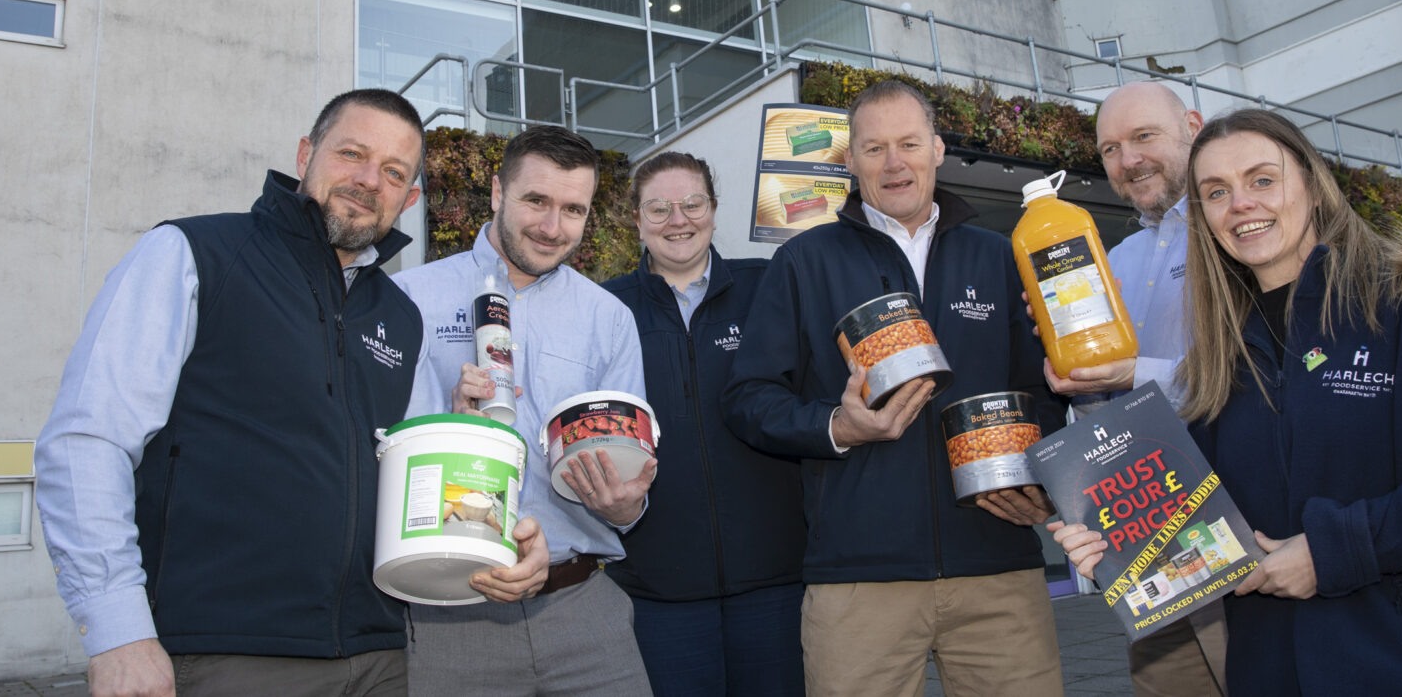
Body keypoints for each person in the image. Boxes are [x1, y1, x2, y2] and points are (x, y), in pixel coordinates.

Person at [35, 88, 549, 697]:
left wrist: (497, 539)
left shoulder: (399, 316)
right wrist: (117, 631)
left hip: (378, 654)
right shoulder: (196, 254)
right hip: (227, 650)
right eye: (351, 154)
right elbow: (86, 442)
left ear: (409, 199)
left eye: (393, 172)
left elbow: (406, 482)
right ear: (306, 154)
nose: (369, 181)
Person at [1052, 108, 1402, 696]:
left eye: (1263, 180)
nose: (1241, 204)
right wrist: (1118, 544)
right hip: (1275, 667)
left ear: (1312, 186)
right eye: (1217, 192)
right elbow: (1212, 517)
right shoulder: (1221, 353)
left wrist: (1334, 552)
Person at [724, 79, 1068, 697]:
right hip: (858, 580)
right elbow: (749, 398)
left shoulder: (1000, 255)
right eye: (874, 148)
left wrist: (1041, 479)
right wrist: (836, 427)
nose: (893, 163)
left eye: (908, 143)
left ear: (937, 149)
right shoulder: (804, 261)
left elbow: (1043, 389)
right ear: (850, 162)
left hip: (997, 568)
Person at [394, 124, 655, 697]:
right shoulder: (409, 299)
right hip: (452, 614)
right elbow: (386, 454)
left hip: (583, 610)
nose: (551, 227)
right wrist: (453, 428)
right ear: (497, 192)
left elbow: (627, 478)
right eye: (536, 200)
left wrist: (626, 505)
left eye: (573, 209)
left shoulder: (608, 317)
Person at [1045, 80, 1226, 697]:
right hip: (1148, 531)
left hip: (1241, 519)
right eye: (1110, 150)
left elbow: (1245, 374)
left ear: (1193, 127)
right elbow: (1102, 403)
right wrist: (1074, 378)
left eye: (1144, 136)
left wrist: (1130, 375)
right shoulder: (1114, 261)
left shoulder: (1234, 230)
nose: (1129, 160)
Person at [601, 152, 804, 696]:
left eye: (692, 204)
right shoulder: (607, 308)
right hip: (658, 588)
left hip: (776, 579)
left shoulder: (768, 285)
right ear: (636, 218)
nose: (678, 220)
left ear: (714, 209)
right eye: (659, 208)